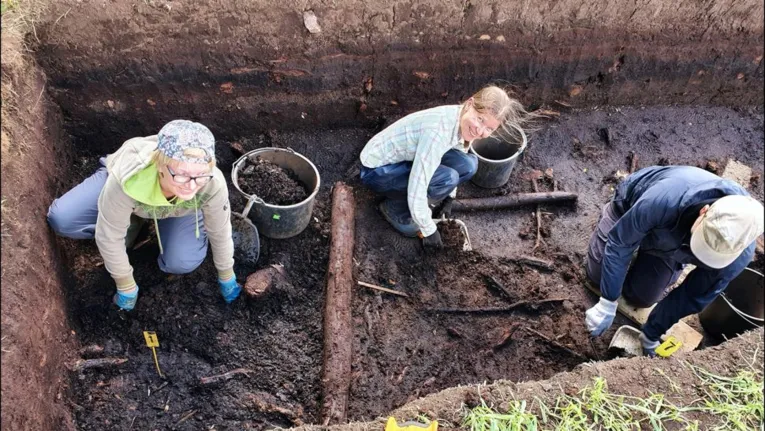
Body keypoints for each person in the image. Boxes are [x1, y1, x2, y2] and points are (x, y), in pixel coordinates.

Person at [47, 120, 241, 310]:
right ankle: (133, 219)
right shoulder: (129, 180)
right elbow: (110, 237)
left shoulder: (211, 183)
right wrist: (126, 285)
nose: (191, 185)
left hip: (178, 209)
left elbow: (220, 231)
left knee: (181, 261)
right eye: (181, 175)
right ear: (160, 165)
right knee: (63, 220)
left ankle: (138, 219)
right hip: (130, 193)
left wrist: (227, 275)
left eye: (199, 176)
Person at [585, 165, 764, 356]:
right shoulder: (664, 199)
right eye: (703, 243)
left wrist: (652, 333)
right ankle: (617, 238)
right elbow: (620, 242)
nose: (706, 253)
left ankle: (645, 258)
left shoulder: (737, 255)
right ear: (704, 211)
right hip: (630, 209)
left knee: (642, 297)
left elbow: (693, 295)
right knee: (598, 276)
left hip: (668, 247)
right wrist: (608, 301)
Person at [359, 85, 533, 249]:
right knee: (447, 178)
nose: (480, 132)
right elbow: (417, 187)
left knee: (469, 164)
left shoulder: (462, 119)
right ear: (470, 103)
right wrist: (429, 231)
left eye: (489, 129)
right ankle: (395, 210)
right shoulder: (438, 133)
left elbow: (458, 151)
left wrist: (450, 196)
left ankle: (420, 202)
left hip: (404, 160)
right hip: (377, 171)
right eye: (480, 120)